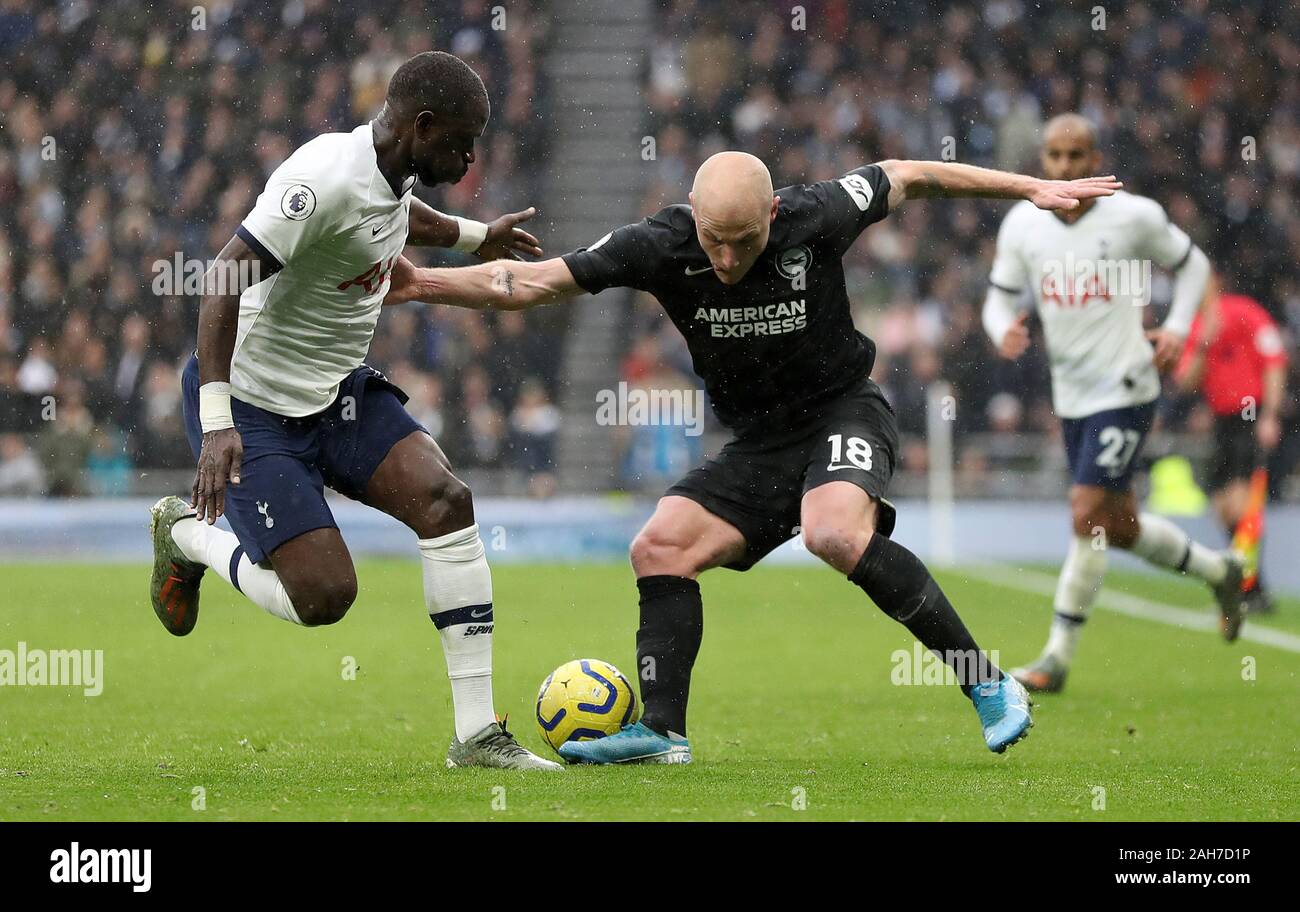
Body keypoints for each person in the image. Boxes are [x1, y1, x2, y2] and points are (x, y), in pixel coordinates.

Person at [385, 149, 1125, 762]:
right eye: (715, 240)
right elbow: (536, 281)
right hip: (762, 444)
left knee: (833, 530)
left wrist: (1029, 187)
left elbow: (910, 173)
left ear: (774, 213)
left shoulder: (818, 212)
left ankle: (987, 681)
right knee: (660, 546)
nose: (730, 257)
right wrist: (423, 283)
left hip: (845, 410)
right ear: (692, 217)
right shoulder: (660, 244)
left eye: (745, 239)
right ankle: (664, 733)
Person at [148, 51, 560, 771]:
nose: (470, 158)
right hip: (253, 405)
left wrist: (474, 235)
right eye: (462, 142)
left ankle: (476, 737)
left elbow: (402, 216)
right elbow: (220, 284)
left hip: (334, 394)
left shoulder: (390, 171)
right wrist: (217, 423)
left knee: (446, 500)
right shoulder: (322, 180)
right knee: (325, 597)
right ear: (421, 124)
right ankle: (185, 535)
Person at [983, 114, 1245, 696]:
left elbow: (1193, 264)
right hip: (1071, 398)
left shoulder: (1133, 216)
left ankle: (1055, 657)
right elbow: (998, 300)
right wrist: (1001, 329)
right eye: (1055, 156)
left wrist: (1178, 328)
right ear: (1042, 161)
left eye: (1077, 156)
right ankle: (1222, 571)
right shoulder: (1024, 224)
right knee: (1118, 527)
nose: (1065, 168)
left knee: (1085, 513)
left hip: (1127, 387)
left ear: (1095, 159)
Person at [1176, 284, 1288, 614]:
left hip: (1249, 417)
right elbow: (1185, 382)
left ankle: (1252, 590)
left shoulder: (1245, 312)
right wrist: (1202, 343)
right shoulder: (1199, 326)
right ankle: (1248, 588)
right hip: (1222, 423)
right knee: (1223, 508)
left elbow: (1274, 362)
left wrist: (1269, 415)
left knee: (1242, 505)